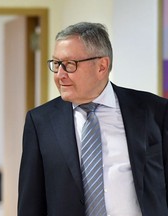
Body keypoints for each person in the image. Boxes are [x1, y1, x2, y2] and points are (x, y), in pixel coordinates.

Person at [18, 22, 168, 216]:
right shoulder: (40, 122)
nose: (60, 75)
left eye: (70, 65)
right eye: (56, 64)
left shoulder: (154, 111)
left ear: (102, 66)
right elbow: (30, 203)